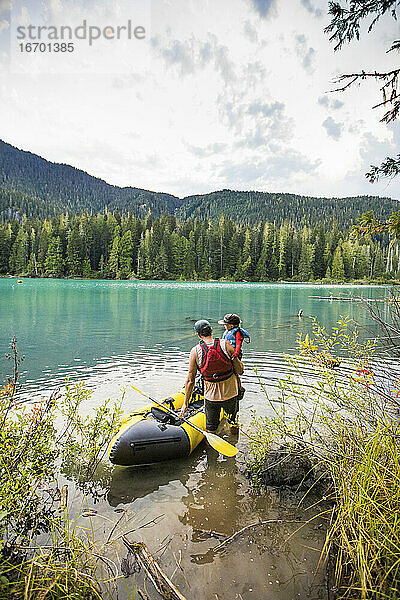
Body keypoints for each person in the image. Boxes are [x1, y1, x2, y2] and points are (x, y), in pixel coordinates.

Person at [179, 319, 244, 433]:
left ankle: (212, 449)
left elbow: (190, 381)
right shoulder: (225, 344)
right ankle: (234, 444)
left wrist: (185, 403)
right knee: (233, 424)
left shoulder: (195, 351)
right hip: (231, 394)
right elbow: (240, 371)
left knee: (211, 429)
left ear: (198, 335)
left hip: (211, 397)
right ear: (211, 331)